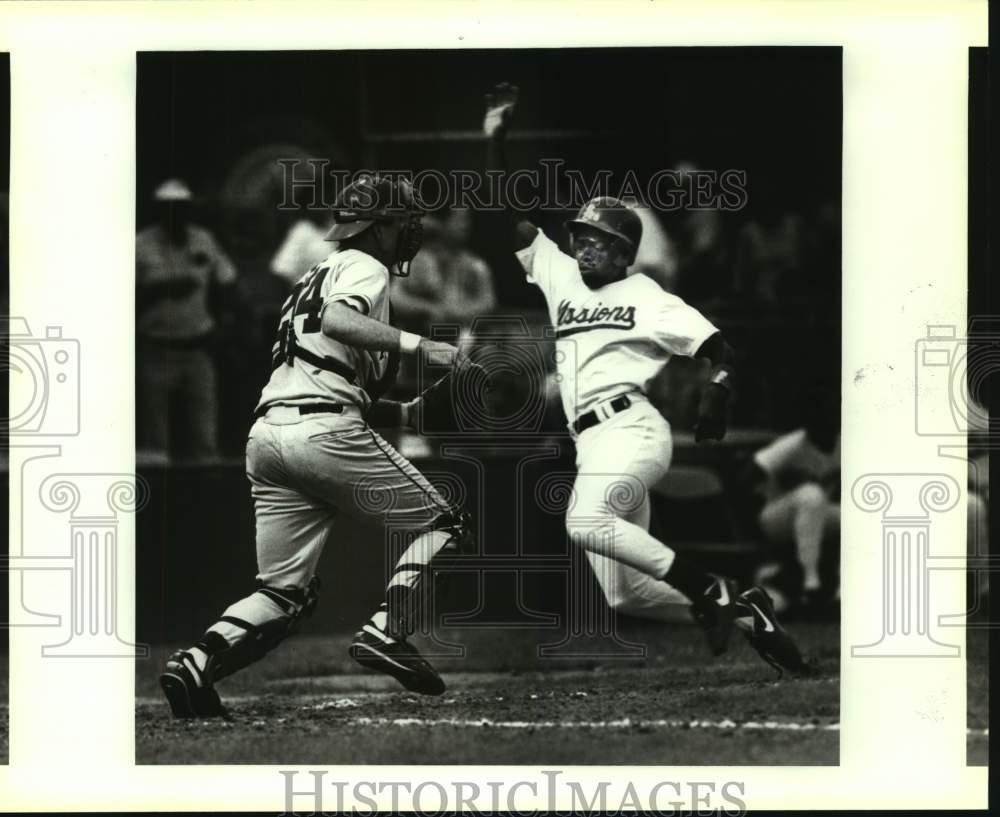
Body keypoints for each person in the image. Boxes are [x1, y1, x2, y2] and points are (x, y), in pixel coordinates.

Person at [484, 83, 809, 674]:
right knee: (625, 595)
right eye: (580, 236)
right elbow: (517, 221)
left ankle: (712, 590)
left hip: (631, 429)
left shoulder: (646, 295)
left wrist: (717, 389)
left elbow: (721, 346)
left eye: (598, 241)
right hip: (591, 443)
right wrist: (495, 144)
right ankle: (744, 610)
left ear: (625, 250)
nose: (583, 247)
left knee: (584, 521)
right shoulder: (560, 277)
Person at [159, 175, 478, 718]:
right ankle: (387, 632)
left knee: (283, 592)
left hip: (268, 437)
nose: (408, 231)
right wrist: (425, 346)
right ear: (376, 226)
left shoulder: (313, 275)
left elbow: (321, 364)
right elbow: (337, 320)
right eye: (401, 221)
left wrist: (404, 411)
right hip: (322, 432)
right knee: (444, 523)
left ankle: (194, 664)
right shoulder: (363, 266)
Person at [136, 179, 238, 461]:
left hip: (197, 349)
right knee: (155, 440)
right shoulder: (141, 245)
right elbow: (124, 296)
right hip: (156, 349)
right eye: (170, 209)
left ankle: (208, 497)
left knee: (205, 437)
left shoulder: (202, 239)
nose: (176, 215)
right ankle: (158, 499)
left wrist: (227, 321)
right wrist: (161, 289)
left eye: (181, 209)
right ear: (160, 211)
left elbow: (227, 280)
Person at [743, 403, 841, 616]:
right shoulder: (793, 445)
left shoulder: (846, 446)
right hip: (775, 518)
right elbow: (744, 477)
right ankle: (811, 584)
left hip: (815, 517)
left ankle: (843, 592)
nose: (827, 423)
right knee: (811, 495)